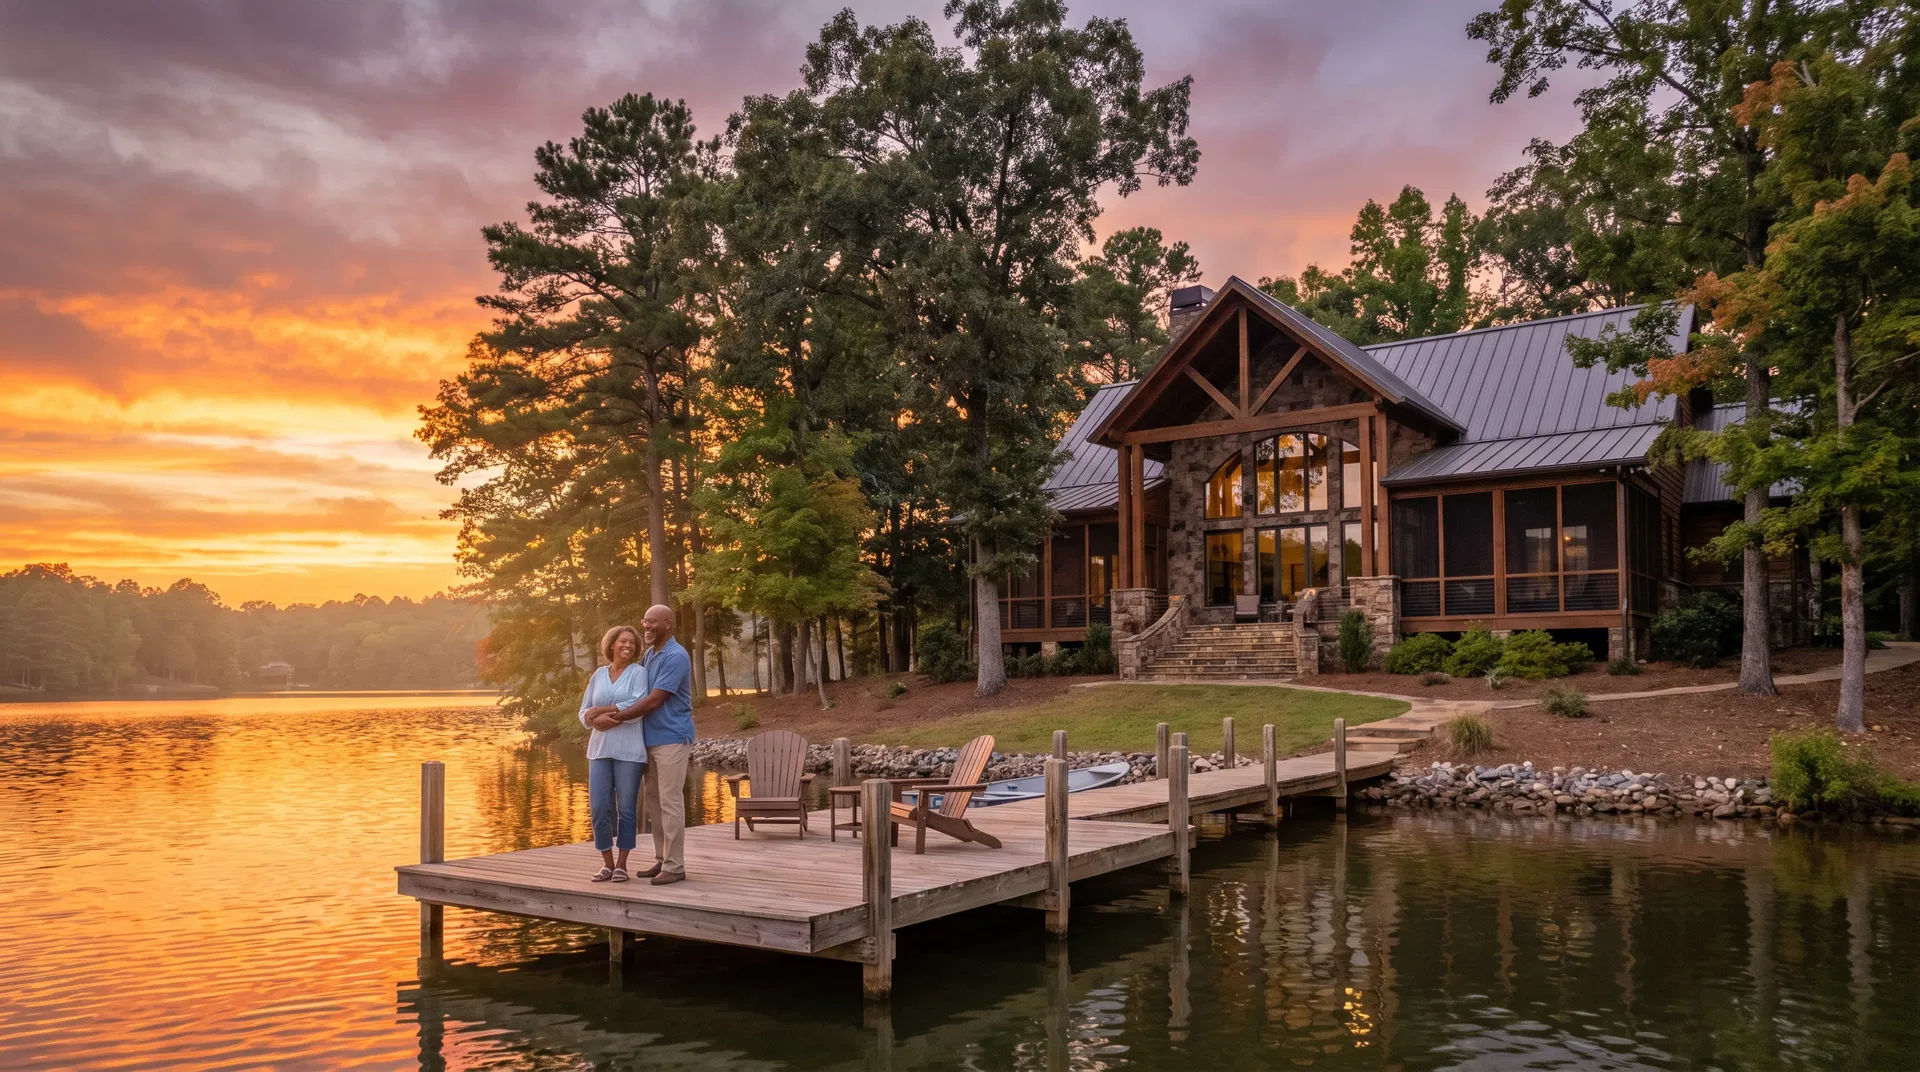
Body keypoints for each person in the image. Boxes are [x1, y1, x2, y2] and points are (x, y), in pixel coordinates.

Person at [601, 603, 695, 885]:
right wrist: (599, 711)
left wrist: (615, 717)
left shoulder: (675, 656)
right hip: (648, 741)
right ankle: (661, 860)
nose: (647, 626)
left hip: (672, 739)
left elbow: (654, 700)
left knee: (670, 802)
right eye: (645, 621)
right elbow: (632, 693)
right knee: (654, 805)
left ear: (668, 623)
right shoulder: (650, 656)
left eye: (653, 622)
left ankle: (675, 866)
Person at [579, 624, 650, 882]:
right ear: (611, 645)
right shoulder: (598, 674)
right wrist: (591, 718)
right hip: (599, 750)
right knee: (598, 808)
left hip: (629, 751)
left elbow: (637, 705)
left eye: (632, 642)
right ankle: (607, 863)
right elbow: (584, 710)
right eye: (622, 641)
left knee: (627, 809)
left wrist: (603, 710)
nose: (627, 645)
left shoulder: (638, 672)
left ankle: (622, 864)